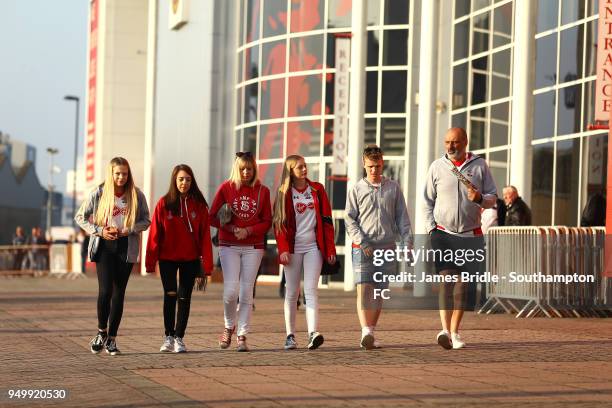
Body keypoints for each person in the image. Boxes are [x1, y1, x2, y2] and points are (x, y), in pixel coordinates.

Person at [423, 127, 497, 350]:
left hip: (470, 233)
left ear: (465, 142)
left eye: (455, 142)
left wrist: (480, 198)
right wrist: (430, 229)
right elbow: (427, 200)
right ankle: (444, 330)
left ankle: (455, 332)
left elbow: (493, 198)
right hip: (443, 232)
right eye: (447, 142)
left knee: (463, 285)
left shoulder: (480, 166)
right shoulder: (437, 166)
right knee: (446, 281)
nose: (450, 146)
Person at [75, 157, 151, 356]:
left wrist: (129, 229)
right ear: (111, 173)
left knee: (119, 293)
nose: (121, 177)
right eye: (117, 173)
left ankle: (112, 339)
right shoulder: (99, 193)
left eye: (124, 173)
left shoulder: (136, 194)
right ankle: (101, 332)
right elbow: (80, 217)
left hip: (126, 248)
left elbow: (146, 220)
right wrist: (99, 230)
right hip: (104, 247)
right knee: (105, 291)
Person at [345, 145, 413, 350]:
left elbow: (402, 218)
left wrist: (407, 242)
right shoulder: (357, 189)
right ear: (364, 165)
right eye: (371, 166)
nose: (374, 170)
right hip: (362, 247)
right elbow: (349, 219)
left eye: (378, 166)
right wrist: (362, 241)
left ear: (382, 164)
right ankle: (365, 330)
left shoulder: (393, 188)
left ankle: (371, 332)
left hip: (386, 247)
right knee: (364, 289)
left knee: (378, 292)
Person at [146, 164, 213, 353]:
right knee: (170, 296)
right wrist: (150, 262)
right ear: (174, 181)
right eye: (181, 179)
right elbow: (154, 235)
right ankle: (168, 336)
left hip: (190, 259)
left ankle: (179, 337)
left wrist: (207, 266)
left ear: (192, 182)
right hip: (167, 259)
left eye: (188, 179)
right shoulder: (164, 203)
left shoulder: (200, 206)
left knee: (184, 298)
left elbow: (205, 237)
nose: (184, 183)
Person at [209, 152, 272, 352]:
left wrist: (249, 230)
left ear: (254, 170)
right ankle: (229, 326)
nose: (246, 172)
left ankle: (242, 335)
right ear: (237, 169)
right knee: (230, 291)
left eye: (250, 169)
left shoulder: (263, 191)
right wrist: (231, 229)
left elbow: (267, 221)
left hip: (253, 247)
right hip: (228, 245)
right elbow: (211, 217)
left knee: (246, 292)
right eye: (242, 168)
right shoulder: (226, 188)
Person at [273, 155, 336, 350]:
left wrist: (330, 249)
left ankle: (313, 333)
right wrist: (283, 249)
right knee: (292, 293)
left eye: (305, 166)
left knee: (311, 290)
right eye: (299, 167)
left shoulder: (317, 189)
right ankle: (290, 336)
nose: (304, 169)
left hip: (313, 248)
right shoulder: (284, 193)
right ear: (291, 170)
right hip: (292, 250)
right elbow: (279, 224)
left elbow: (326, 221)